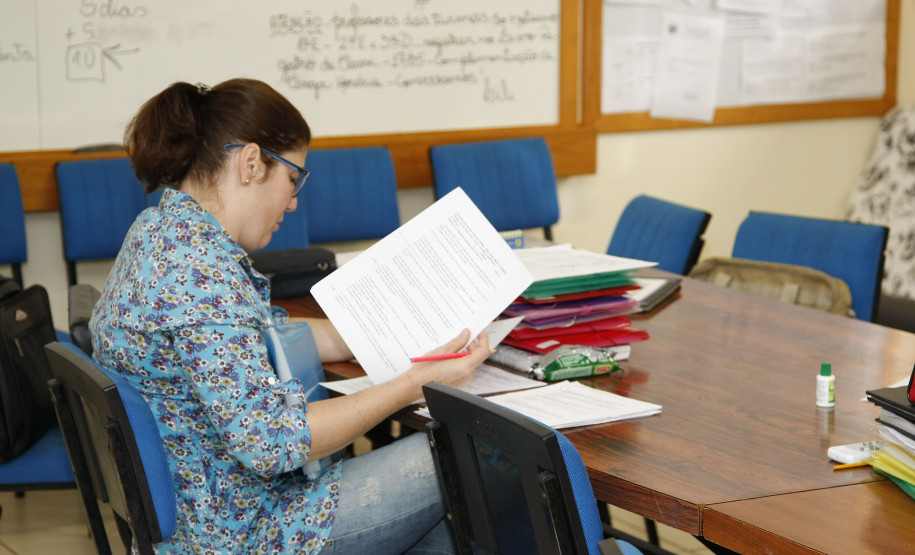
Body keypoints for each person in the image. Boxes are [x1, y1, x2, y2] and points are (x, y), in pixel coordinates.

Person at [89, 78, 490, 554]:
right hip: (247, 532)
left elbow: (267, 333)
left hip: (216, 515)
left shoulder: (160, 232)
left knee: (454, 529)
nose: (294, 200)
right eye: (293, 177)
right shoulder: (198, 276)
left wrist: (399, 337)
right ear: (251, 163)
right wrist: (414, 383)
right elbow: (272, 441)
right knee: (480, 451)